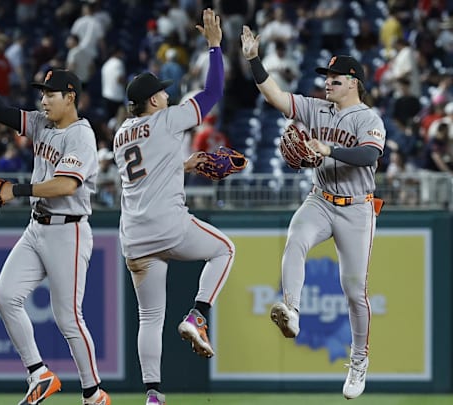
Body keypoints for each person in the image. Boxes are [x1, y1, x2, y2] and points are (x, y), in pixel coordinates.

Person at [0, 29, 110, 405]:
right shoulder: (42, 123)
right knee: (5, 297)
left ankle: (94, 395)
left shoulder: (81, 136)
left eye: (49, 94)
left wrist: (16, 190)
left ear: (70, 97)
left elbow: (65, 186)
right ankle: (39, 374)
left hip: (68, 231)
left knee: (68, 319)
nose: (43, 99)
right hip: (37, 228)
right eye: (41, 93)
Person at [241, 26, 386, 400]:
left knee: (355, 291)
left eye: (334, 79)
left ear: (353, 83)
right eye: (325, 77)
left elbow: (369, 155)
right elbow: (274, 95)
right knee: (295, 240)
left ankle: (359, 359)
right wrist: (254, 58)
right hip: (321, 198)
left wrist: (327, 149)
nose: (327, 83)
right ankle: (291, 310)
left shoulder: (368, 119)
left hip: (356, 208)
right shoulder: (315, 107)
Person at [112, 9, 234, 405]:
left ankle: (152, 394)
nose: (167, 94)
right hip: (168, 225)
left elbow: (145, 172)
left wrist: (184, 164)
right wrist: (215, 46)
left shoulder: (119, 135)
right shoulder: (165, 119)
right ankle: (198, 314)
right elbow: (212, 93)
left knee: (150, 317)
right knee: (224, 250)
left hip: (134, 236)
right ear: (152, 100)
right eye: (162, 92)